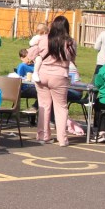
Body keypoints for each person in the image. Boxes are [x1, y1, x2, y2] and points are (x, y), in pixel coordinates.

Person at [30, 15, 77, 146]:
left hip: (42, 74)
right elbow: (72, 58)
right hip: (60, 75)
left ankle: (43, 135)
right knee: (61, 107)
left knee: (44, 105)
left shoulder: (43, 39)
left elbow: (31, 54)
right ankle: (62, 139)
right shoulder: (70, 42)